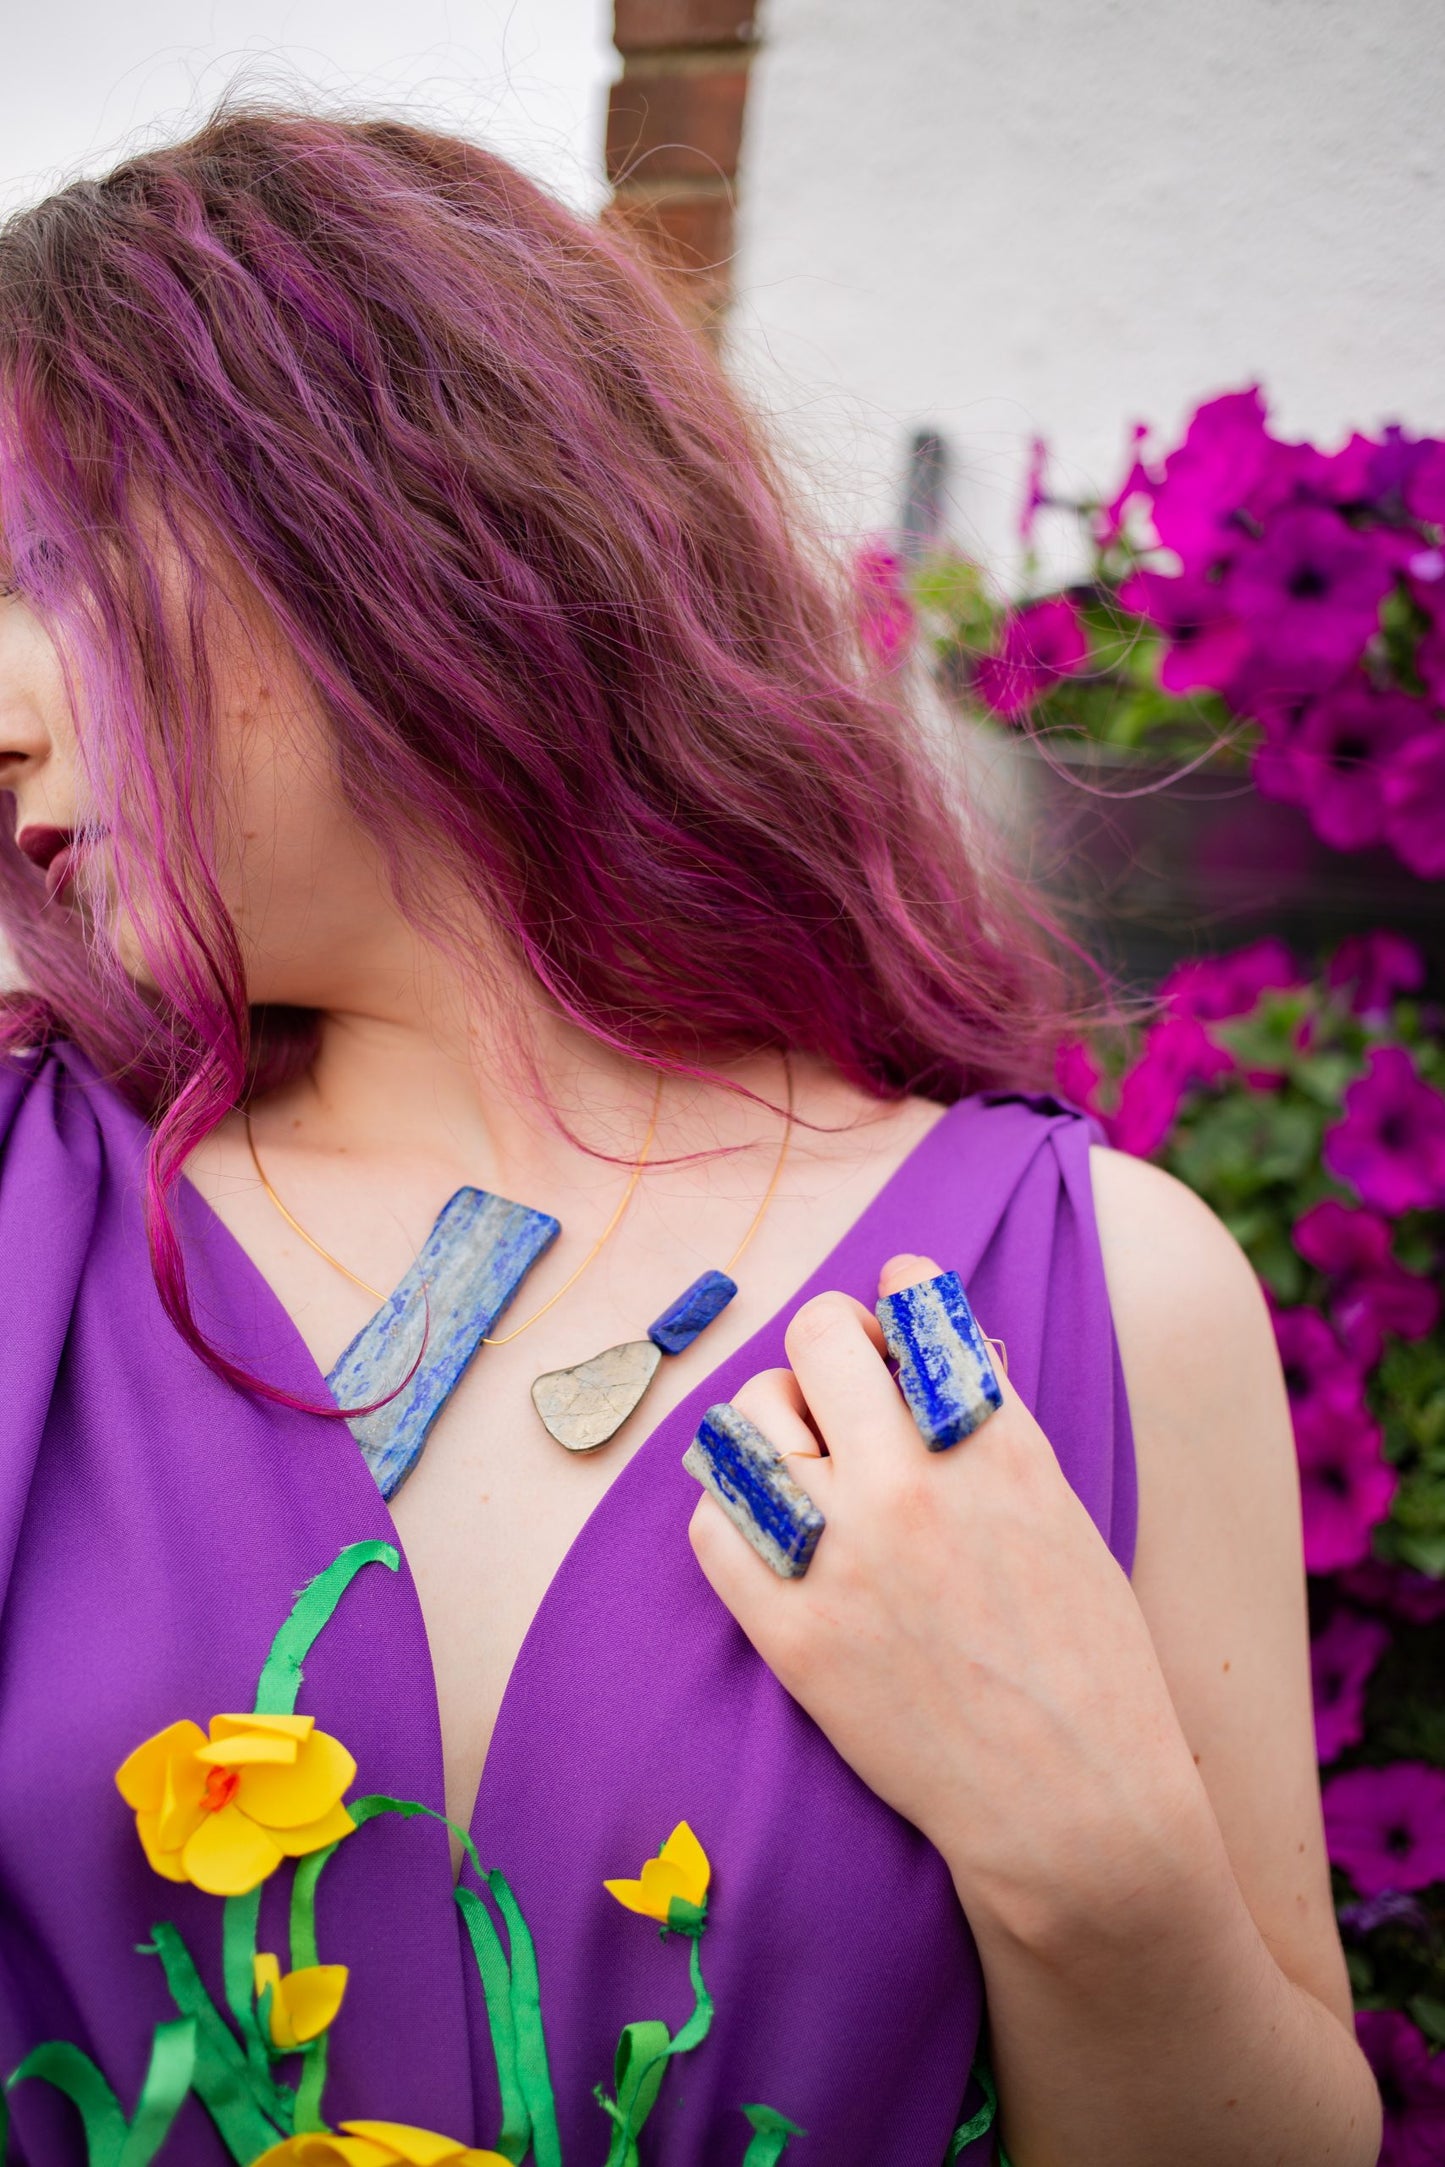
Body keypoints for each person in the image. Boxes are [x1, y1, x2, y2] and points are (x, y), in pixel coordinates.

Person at [0, 98, 1380, 2167]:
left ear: (401, 525)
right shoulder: (33, 1217)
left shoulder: (1097, 1294)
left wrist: (1092, 1858)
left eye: (44, 573)